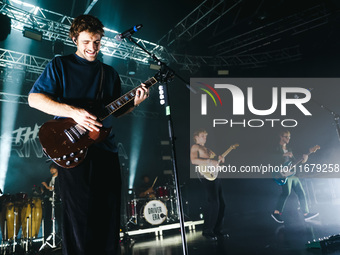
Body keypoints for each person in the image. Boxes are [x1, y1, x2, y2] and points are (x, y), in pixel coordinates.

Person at [28, 14, 149, 255]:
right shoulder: (60, 65)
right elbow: (34, 99)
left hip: (106, 150)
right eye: (86, 42)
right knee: (80, 220)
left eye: (97, 41)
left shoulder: (110, 73)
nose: (92, 48)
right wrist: (73, 112)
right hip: (71, 149)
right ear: (75, 39)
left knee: (109, 215)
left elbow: (111, 113)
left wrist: (134, 103)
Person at [271, 130, 319, 224]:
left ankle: (306, 213)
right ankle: (276, 213)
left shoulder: (289, 148)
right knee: (286, 192)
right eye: (286, 136)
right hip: (282, 173)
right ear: (281, 137)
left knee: (301, 192)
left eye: (289, 137)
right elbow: (270, 158)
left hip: (291, 174)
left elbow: (294, 162)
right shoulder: (276, 148)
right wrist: (283, 154)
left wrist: (304, 159)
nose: (288, 138)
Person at [190, 129, 228, 240]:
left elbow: (216, 165)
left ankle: (217, 230)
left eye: (205, 136)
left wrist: (222, 161)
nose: (204, 138)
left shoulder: (209, 150)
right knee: (213, 203)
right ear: (196, 137)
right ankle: (207, 231)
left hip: (215, 176)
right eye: (202, 136)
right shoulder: (195, 147)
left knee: (222, 204)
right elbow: (194, 160)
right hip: (205, 176)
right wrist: (210, 162)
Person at [41, 163, 61, 239]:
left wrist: (47, 186)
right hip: (49, 201)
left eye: (53, 168)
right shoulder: (48, 179)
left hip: (57, 202)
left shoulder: (60, 178)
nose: (51, 170)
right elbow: (46, 191)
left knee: (59, 219)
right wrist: (42, 190)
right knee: (47, 218)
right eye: (50, 169)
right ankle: (47, 237)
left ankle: (60, 236)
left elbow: (56, 188)